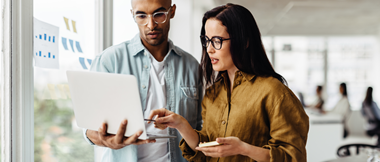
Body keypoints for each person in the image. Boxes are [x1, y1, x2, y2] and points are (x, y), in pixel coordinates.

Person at [147, 3, 309, 162]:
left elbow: (294, 156)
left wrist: (243, 149)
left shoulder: (273, 91)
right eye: (207, 40)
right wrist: (180, 124)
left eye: (217, 40)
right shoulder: (212, 93)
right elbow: (205, 150)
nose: (209, 49)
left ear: (244, 42)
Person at [82, 0, 203, 161]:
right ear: (132, 15)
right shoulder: (109, 61)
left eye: (159, 14)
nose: (150, 24)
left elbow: (202, 129)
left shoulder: (192, 66)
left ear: (172, 12)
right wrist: (107, 140)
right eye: (141, 16)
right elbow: (89, 127)